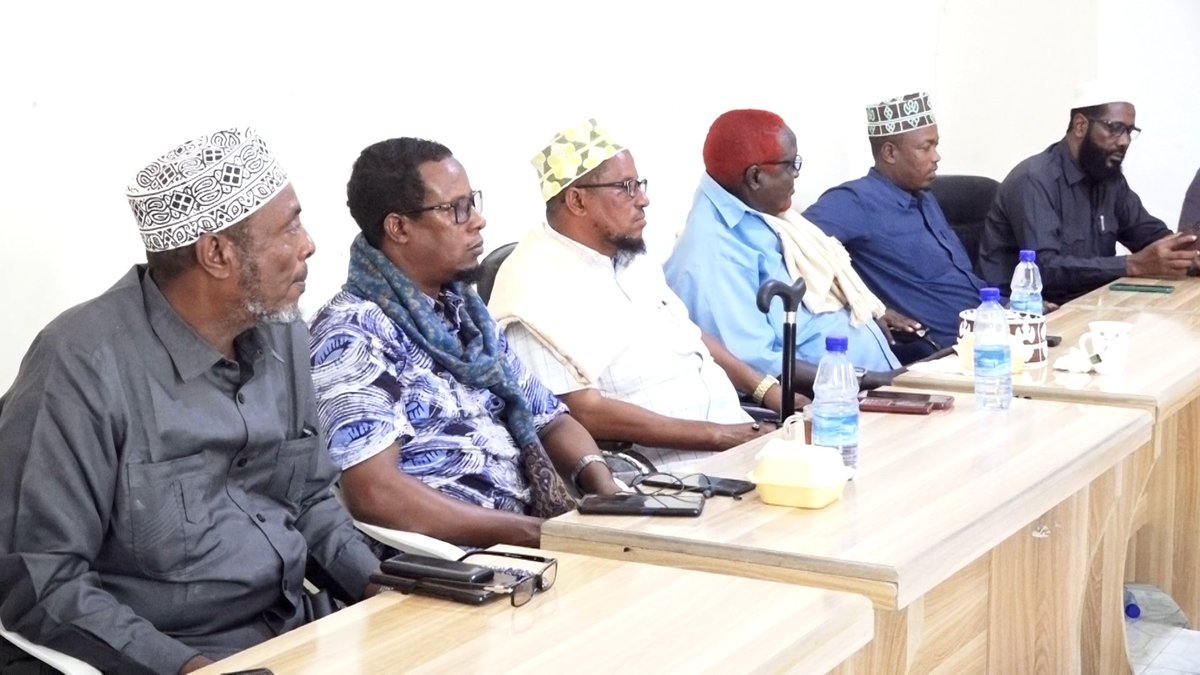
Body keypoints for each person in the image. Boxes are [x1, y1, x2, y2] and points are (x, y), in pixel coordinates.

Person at [0, 128, 381, 674]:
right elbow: (42, 580)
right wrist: (191, 669)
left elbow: (310, 499)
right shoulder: (81, 365)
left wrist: (383, 586)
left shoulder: (283, 332)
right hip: (165, 655)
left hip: (292, 634)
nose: (308, 244)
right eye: (290, 226)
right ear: (217, 254)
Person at [309, 137, 620, 551]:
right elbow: (375, 494)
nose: (477, 221)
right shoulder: (352, 333)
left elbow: (550, 419)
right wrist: (537, 534)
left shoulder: (464, 312)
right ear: (398, 228)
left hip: (535, 534)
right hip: (461, 563)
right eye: (455, 209)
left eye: (471, 202)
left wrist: (606, 493)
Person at [488, 120, 788, 474]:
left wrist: (768, 391)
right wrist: (719, 436)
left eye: (639, 185)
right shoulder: (534, 287)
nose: (643, 200)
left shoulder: (628, 256)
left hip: (742, 439)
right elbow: (579, 412)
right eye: (626, 187)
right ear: (577, 200)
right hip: (676, 473)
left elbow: (689, 334)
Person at [665, 109, 905, 379]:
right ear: (755, 177)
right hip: (837, 395)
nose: (796, 174)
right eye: (790, 165)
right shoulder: (715, 253)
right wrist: (865, 380)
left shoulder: (760, 213)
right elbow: (757, 366)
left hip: (877, 380)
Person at [803, 93, 988, 352]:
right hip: (947, 349)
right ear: (890, 152)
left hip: (989, 324)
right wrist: (864, 305)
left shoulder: (923, 195)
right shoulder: (855, 201)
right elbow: (794, 243)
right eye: (925, 148)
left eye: (935, 146)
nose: (936, 157)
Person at [979, 83, 1197, 303]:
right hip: (1027, 311)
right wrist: (1132, 264)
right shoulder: (1034, 179)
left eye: (1129, 131)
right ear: (1081, 125)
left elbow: (1148, 235)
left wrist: (1189, 252)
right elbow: (1044, 269)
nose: (1124, 141)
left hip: (1091, 304)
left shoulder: (1109, 178)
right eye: (1115, 128)